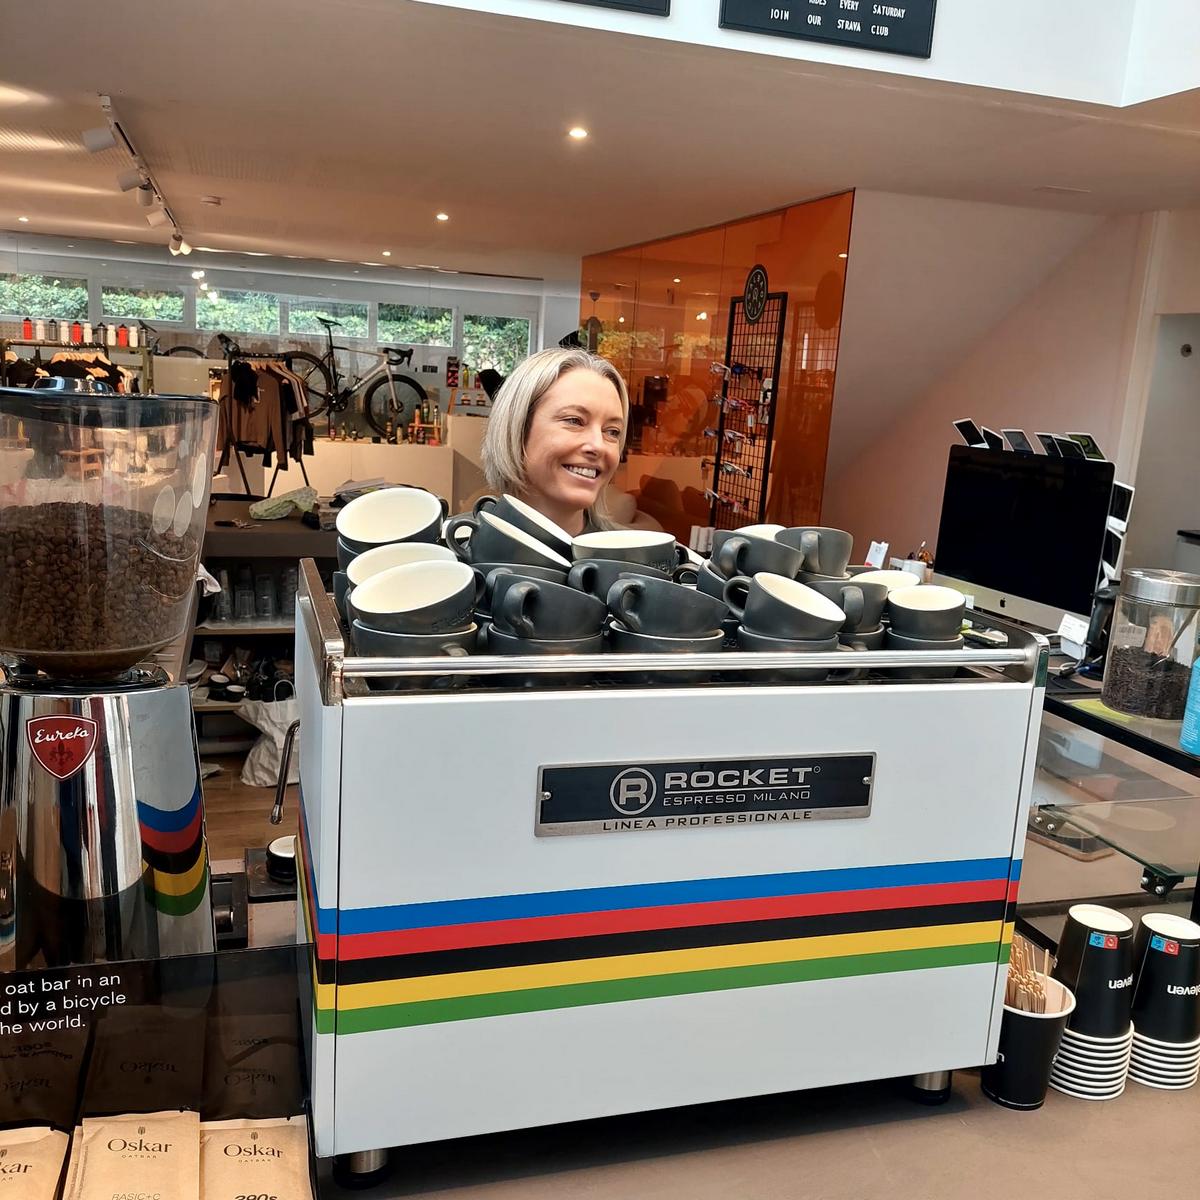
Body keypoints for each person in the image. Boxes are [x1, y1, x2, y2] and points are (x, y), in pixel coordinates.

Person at [481, 347, 629, 535]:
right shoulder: (455, 545)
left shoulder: (630, 552)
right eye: (574, 421)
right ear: (518, 428)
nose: (598, 445)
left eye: (612, 432)